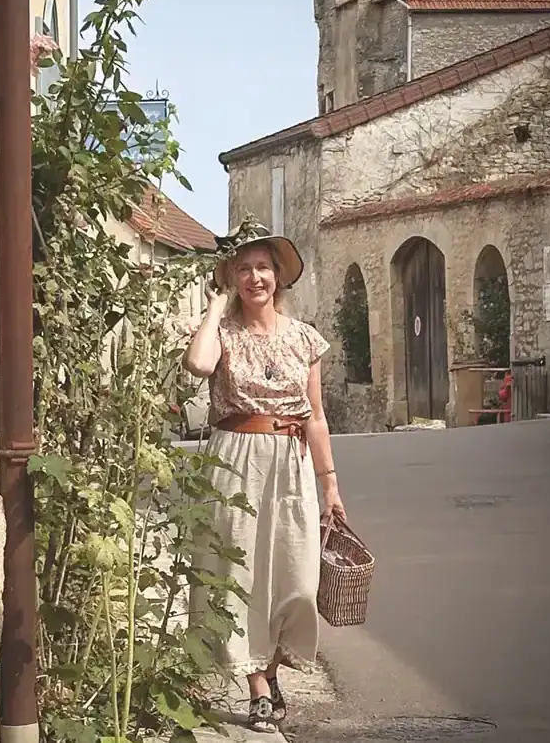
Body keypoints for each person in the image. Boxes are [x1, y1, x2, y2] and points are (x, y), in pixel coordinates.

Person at [182, 223, 346, 734]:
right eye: (244, 268)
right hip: (236, 458)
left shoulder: (304, 339)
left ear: (279, 277)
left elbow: (316, 416)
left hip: (292, 459)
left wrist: (331, 485)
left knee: (296, 577)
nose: (255, 277)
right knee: (239, 573)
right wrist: (213, 307)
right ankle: (255, 685)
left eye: (264, 268)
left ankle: (271, 669)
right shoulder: (224, 333)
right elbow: (197, 363)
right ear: (232, 277)